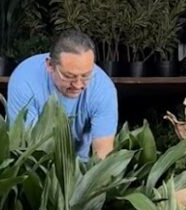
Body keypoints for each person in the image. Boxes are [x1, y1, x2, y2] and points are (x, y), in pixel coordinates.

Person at [7, 30, 118, 160]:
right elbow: (25, 148)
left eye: (86, 76)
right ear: (50, 65)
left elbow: (103, 154)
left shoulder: (103, 88)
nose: (78, 85)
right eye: (68, 76)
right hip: (34, 166)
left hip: (79, 166)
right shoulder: (24, 81)